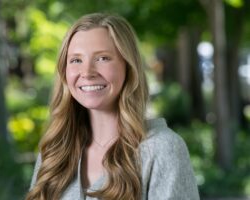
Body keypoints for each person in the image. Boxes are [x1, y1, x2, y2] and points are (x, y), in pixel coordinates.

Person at [25, 13, 200, 200]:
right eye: (76, 60)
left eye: (102, 58)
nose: (87, 72)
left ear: (128, 66)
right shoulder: (54, 152)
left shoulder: (162, 149)